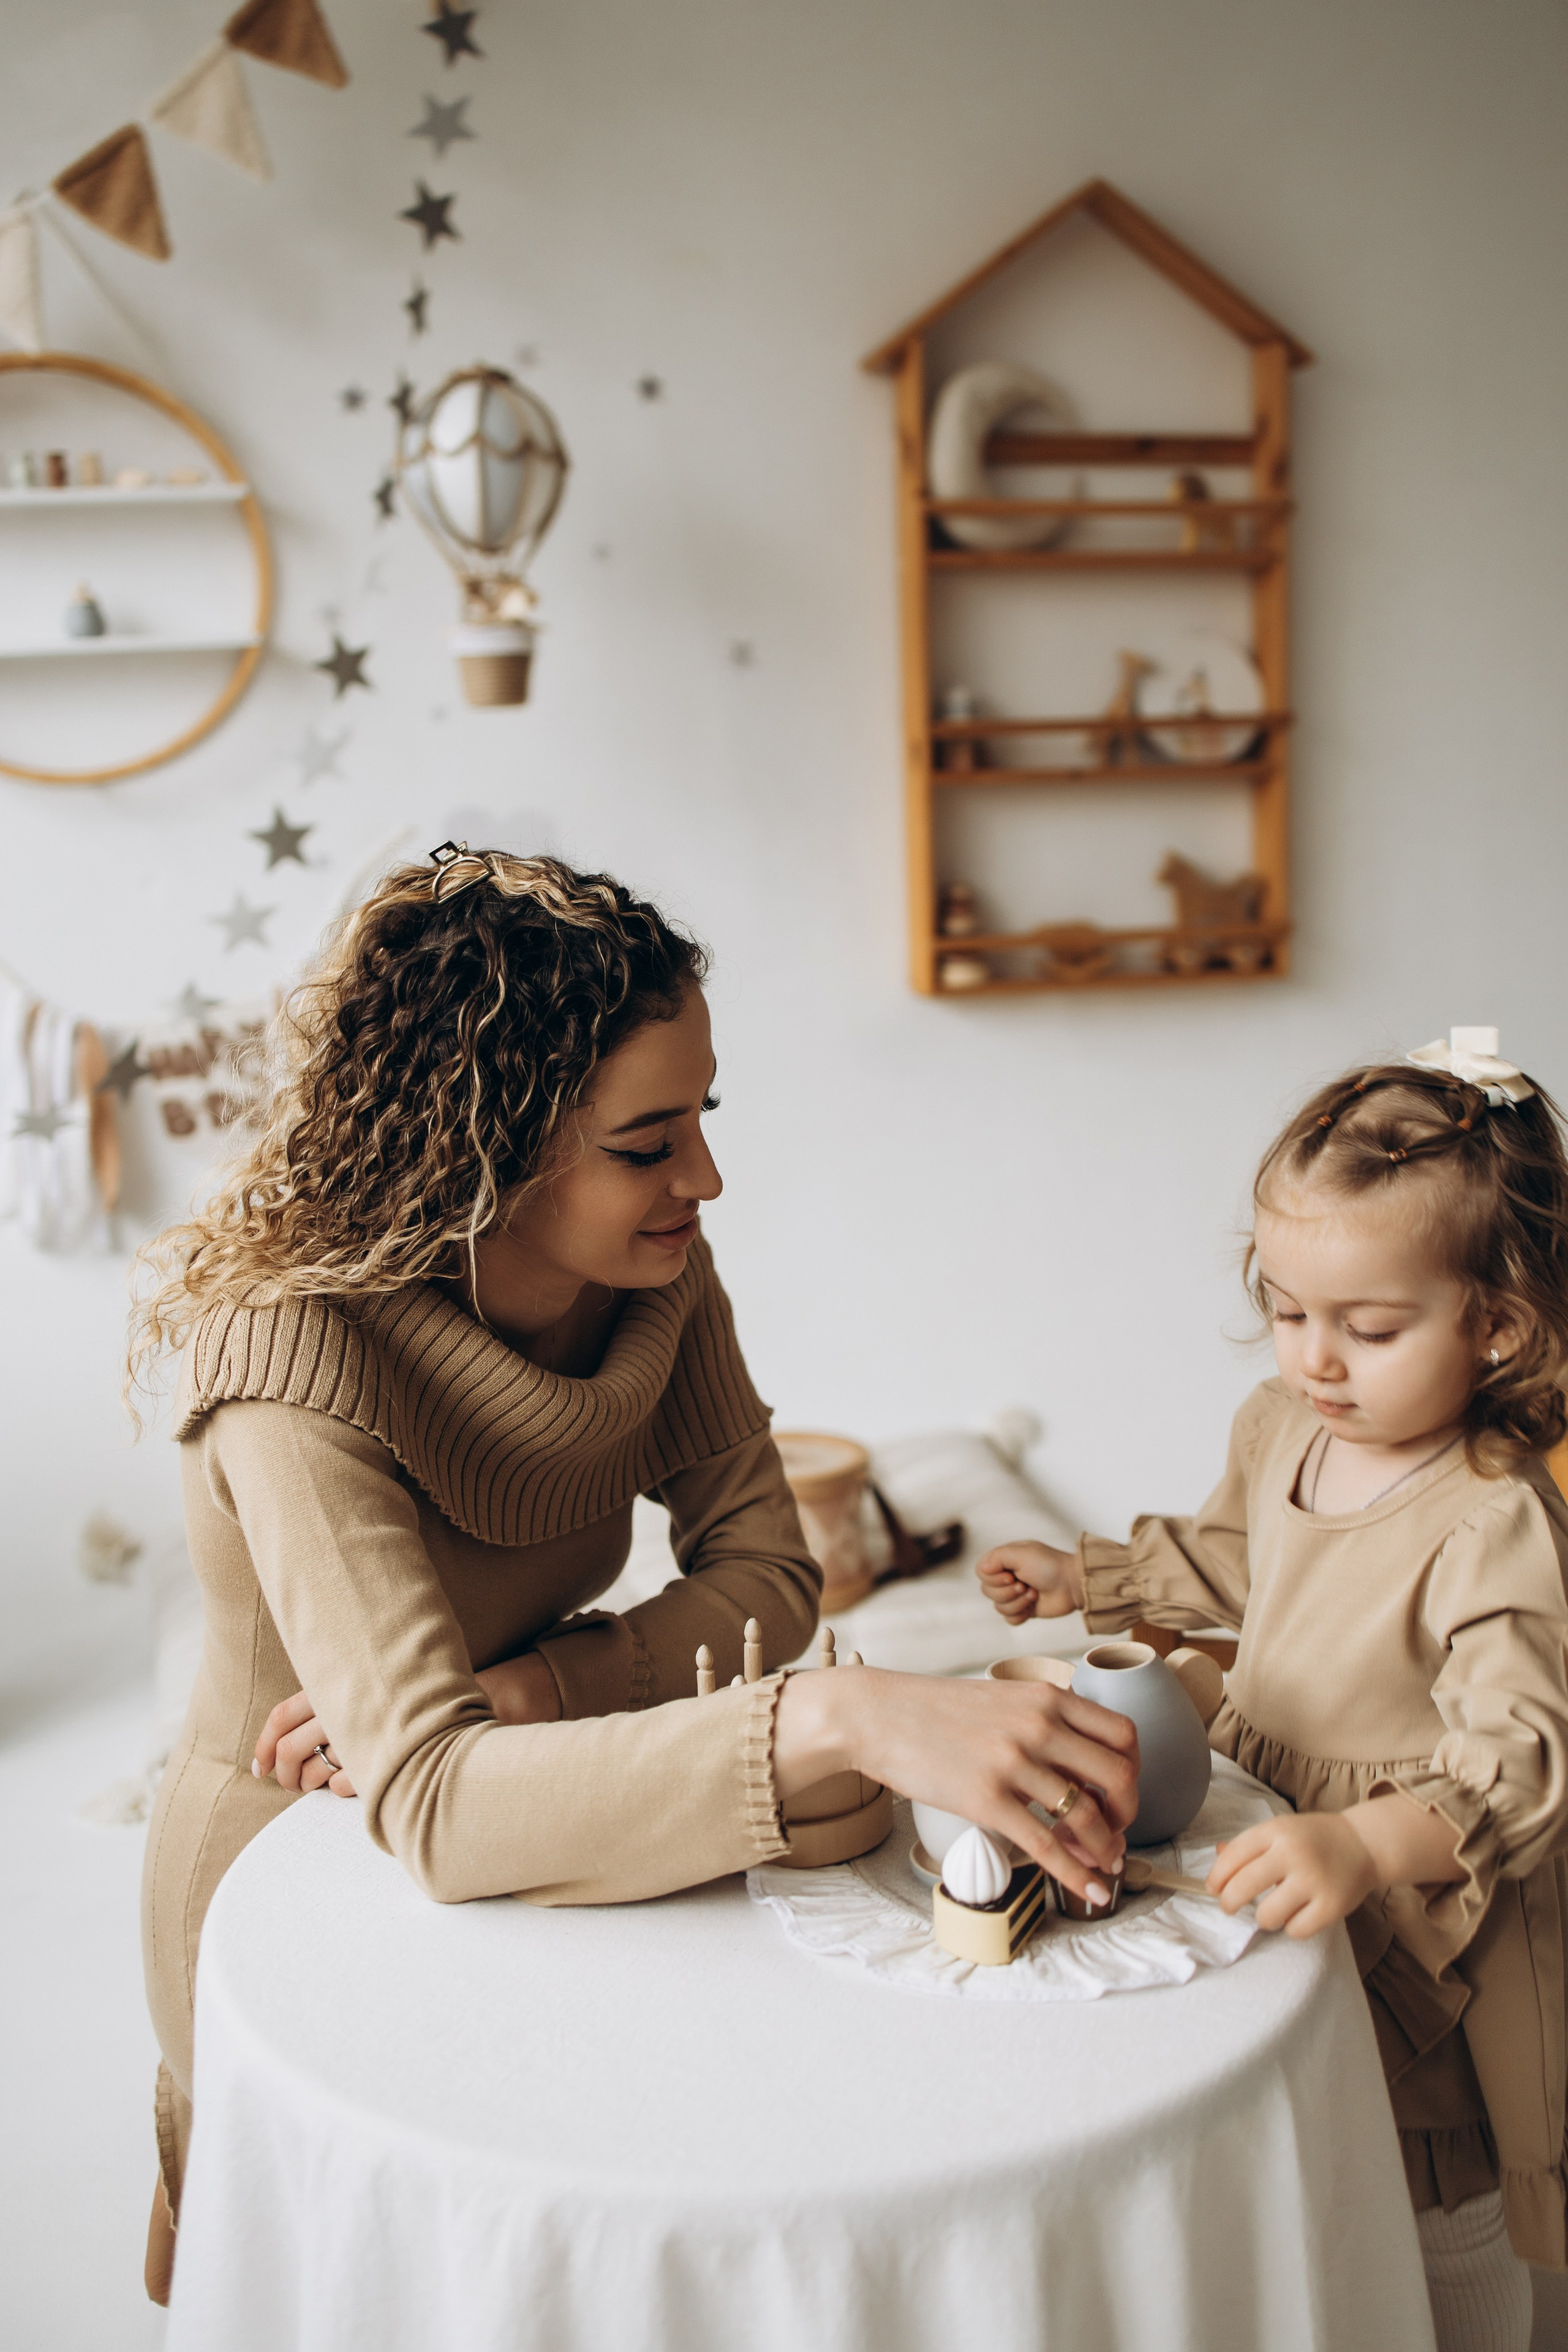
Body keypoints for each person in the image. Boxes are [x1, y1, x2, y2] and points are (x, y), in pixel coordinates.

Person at [132, 845, 1139, 2305]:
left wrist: (542, 1689)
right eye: (644, 1144)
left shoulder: (657, 1275)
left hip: (538, 1800)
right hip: (296, 1873)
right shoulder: (296, 1356)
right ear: (481, 1146)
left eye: (702, 1120)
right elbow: (435, 1807)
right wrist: (836, 1718)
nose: (703, 1180)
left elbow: (772, 1572)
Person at [978, 1031, 1568, 2351]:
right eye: (1288, 1310)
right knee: (1301, 2132)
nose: (1315, 1360)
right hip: (1269, 1798)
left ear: (1497, 1326)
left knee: (1437, 2197)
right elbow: (1239, 1561)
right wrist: (1086, 1576)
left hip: (1425, 1884)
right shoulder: (1286, 1425)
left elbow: (1521, 1759)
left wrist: (1368, 1845)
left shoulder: (1492, 1522)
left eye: (1369, 1329)